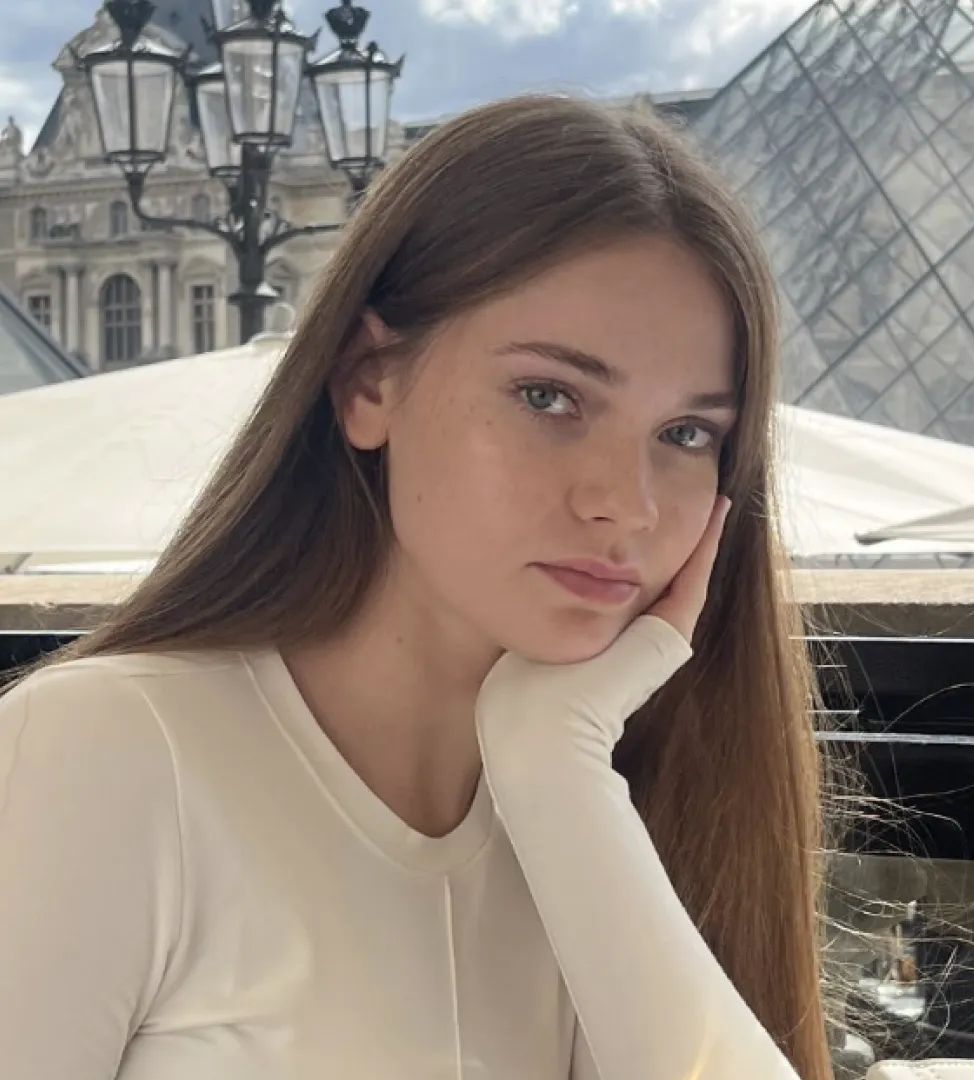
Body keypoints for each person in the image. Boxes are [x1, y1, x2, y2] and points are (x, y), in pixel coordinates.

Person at [0, 95, 830, 1079]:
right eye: (549, 397)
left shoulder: (614, 799)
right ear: (366, 382)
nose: (628, 504)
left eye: (687, 434)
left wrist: (556, 771)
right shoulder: (109, 755)